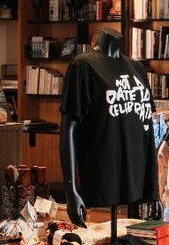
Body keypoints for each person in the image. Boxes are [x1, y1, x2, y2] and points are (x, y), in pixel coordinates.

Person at [59, 27, 157, 228]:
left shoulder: (138, 69)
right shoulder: (83, 65)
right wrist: (71, 190)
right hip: (103, 172)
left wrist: (153, 189)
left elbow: (145, 127)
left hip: (135, 175)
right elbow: (69, 129)